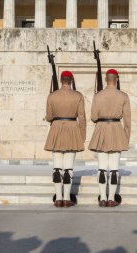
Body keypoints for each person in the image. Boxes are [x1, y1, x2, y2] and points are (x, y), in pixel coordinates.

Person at [89, 69, 131, 207]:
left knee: (101, 167)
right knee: (114, 168)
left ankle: (102, 198)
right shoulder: (123, 96)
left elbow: (93, 117)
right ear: (117, 79)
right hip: (116, 130)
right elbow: (127, 120)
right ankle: (111, 198)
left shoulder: (98, 95)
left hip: (101, 130)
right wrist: (125, 138)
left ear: (106, 79)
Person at [44, 71, 86, 208]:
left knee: (57, 168)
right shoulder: (78, 96)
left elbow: (49, 117)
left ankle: (58, 198)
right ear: (71, 81)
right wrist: (82, 136)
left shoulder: (52, 96)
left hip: (56, 129)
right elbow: (82, 117)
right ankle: (67, 199)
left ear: (61, 80)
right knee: (68, 168)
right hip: (72, 128)